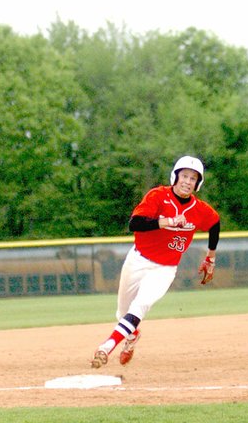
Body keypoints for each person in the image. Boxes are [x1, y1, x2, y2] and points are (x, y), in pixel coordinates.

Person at [91, 155, 220, 368]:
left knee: (141, 304)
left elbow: (214, 224)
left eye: (193, 178)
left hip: (165, 269)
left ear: (198, 184)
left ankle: (107, 346)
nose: (188, 181)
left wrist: (211, 258)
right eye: (184, 176)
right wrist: (167, 222)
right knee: (123, 313)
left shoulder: (199, 210)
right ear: (175, 177)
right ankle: (132, 336)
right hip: (138, 260)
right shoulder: (158, 196)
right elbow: (135, 223)